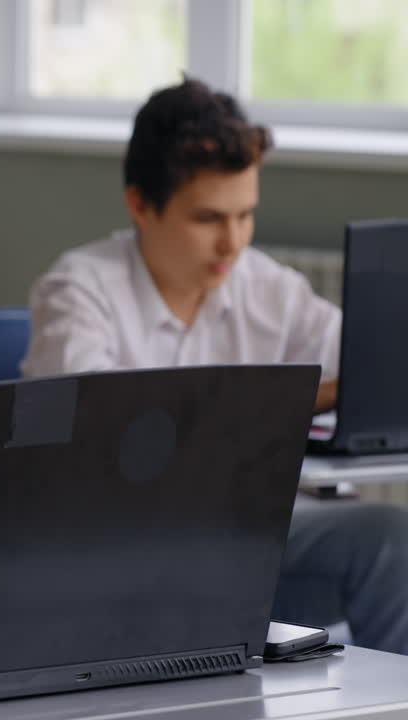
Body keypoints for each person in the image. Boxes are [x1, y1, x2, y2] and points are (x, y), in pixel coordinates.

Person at [23, 76, 408, 654]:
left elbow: (371, 369)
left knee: (389, 537)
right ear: (140, 205)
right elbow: (110, 438)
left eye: (245, 215)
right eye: (208, 219)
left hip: (256, 533)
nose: (233, 243)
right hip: (130, 547)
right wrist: (306, 399)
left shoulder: (268, 286)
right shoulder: (77, 292)